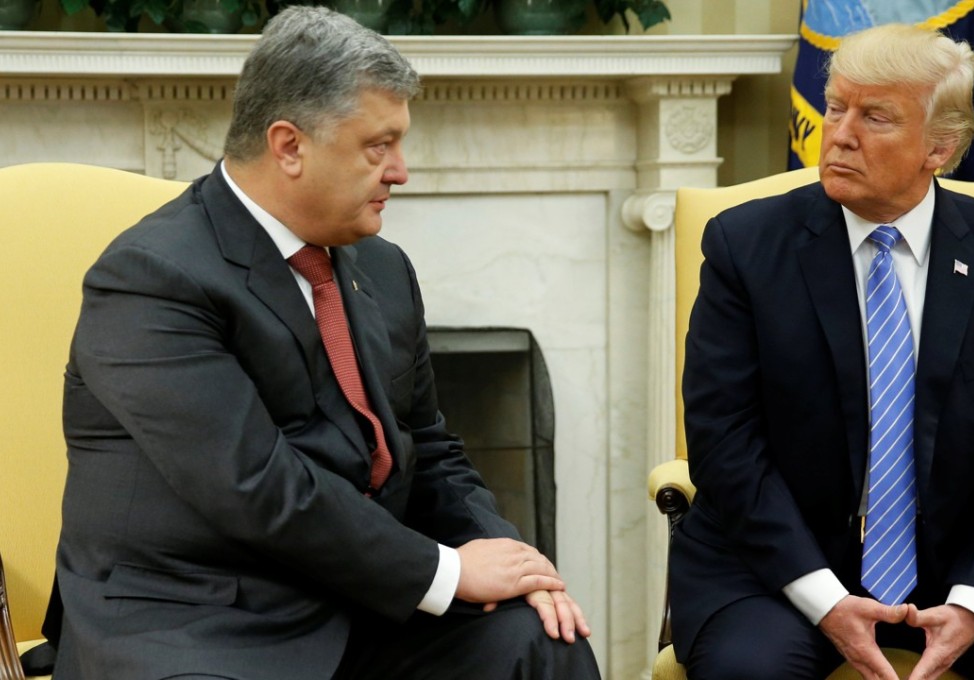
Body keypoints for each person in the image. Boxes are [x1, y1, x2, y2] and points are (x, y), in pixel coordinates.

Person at [48, 6, 600, 679]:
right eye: (378, 145)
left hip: (354, 603)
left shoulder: (384, 270)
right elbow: (255, 485)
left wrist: (512, 562)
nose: (400, 170)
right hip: (198, 622)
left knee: (538, 639)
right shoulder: (151, 278)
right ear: (289, 146)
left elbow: (429, 450)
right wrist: (448, 569)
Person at [670, 23, 974, 680]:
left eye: (875, 116)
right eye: (836, 108)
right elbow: (725, 444)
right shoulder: (745, 247)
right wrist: (826, 600)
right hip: (773, 569)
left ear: (939, 148)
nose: (841, 133)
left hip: (973, 564)